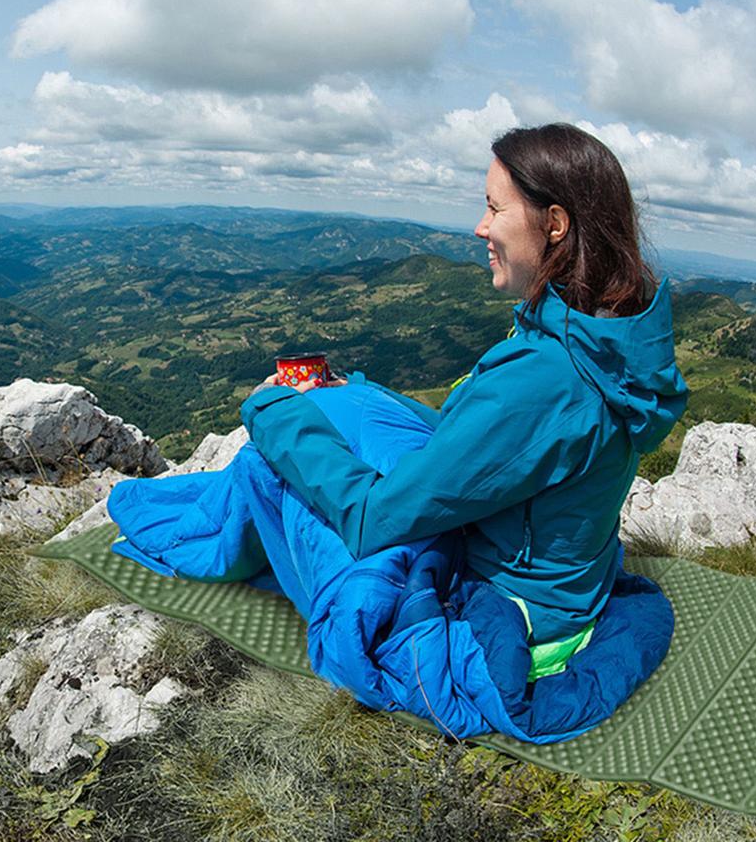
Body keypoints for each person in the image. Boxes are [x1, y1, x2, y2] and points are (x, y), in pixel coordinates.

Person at [108, 122, 688, 741]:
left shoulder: (545, 381)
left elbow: (373, 519)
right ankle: (299, 433)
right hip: (554, 579)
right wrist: (349, 395)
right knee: (346, 401)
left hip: (500, 614)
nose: (480, 227)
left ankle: (200, 534)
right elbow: (489, 447)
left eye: (495, 208)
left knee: (268, 465)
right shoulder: (599, 337)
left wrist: (270, 412)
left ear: (554, 224)